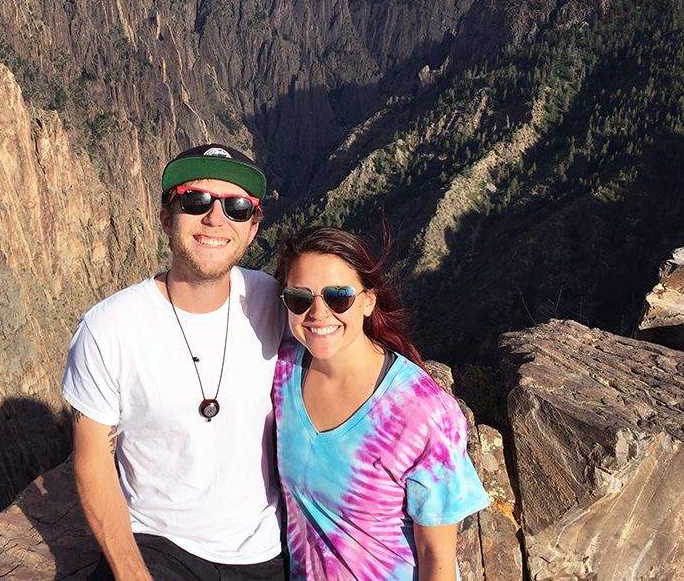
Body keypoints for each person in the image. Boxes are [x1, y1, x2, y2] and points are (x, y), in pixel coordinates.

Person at [62, 143, 286, 581]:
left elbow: (349, 339)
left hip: (266, 553)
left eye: (238, 207)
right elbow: (91, 459)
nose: (216, 219)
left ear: (253, 227)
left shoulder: (278, 303)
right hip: (159, 547)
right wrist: (130, 572)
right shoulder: (108, 329)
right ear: (166, 218)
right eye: (195, 200)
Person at [272, 226, 491, 580]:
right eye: (300, 298)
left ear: (368, 301)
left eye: (338, 296)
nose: (318, 312)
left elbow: (436, 556)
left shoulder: (422, 412)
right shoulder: (283, 371)